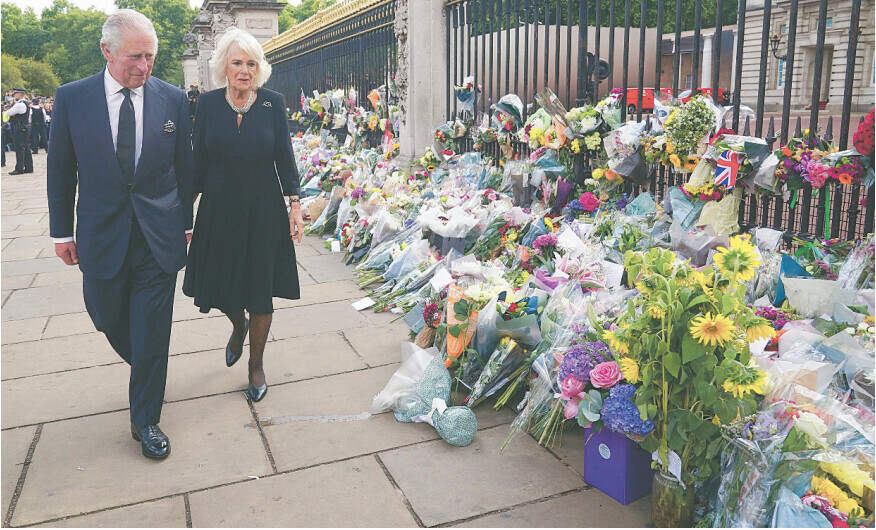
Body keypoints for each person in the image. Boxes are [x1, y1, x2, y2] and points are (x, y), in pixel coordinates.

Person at [46, 9, 193, 460]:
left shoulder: (171, 98)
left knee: (152, 329)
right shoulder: (73, 98)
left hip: (159, 234)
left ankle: (145, 418)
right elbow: (60, 169)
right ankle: (148, 367)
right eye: (134, 56)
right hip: (100, 232)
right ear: (107, 51)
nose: (144, 67)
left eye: (150, 56)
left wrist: (186, 222)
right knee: (106, 314)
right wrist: (60, 233)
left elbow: (185, 168)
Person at [183, 28, 303, 403]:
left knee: (260, 289)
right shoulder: (207, 105)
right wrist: (185, 215)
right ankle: (239, 326)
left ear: (259, 69)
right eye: (237, 62)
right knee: (222, 284)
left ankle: (256, 364)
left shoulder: (272, 103)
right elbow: (198, 160)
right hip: (219, 209)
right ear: (224, 66)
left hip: (264, 209)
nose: (245, 70)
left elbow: (284, 154)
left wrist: (295, 204)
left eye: (252, 63)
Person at [7, 88, 33, 174]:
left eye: (15, 94)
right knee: (26, 147)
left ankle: (19, 168)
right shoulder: (25, 103)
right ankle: (29, 167)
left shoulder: (19, 104)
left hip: (19, 128)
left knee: (19, 148)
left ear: (19, 94)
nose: (14, 96)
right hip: (25, 126)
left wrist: (12, 111)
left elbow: (9, 113)